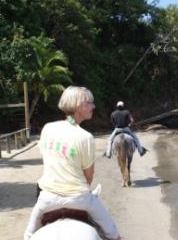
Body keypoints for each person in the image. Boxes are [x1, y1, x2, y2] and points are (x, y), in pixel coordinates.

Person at [24, 86, 121, 240]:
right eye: (90, 103)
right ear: (79, 105)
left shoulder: (48, 128)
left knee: (28, 236)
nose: (93, 106)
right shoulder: (85, 137)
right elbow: (89, 177)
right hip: (80, 199)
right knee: (112, 233)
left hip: (47, 199)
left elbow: (48, 161)